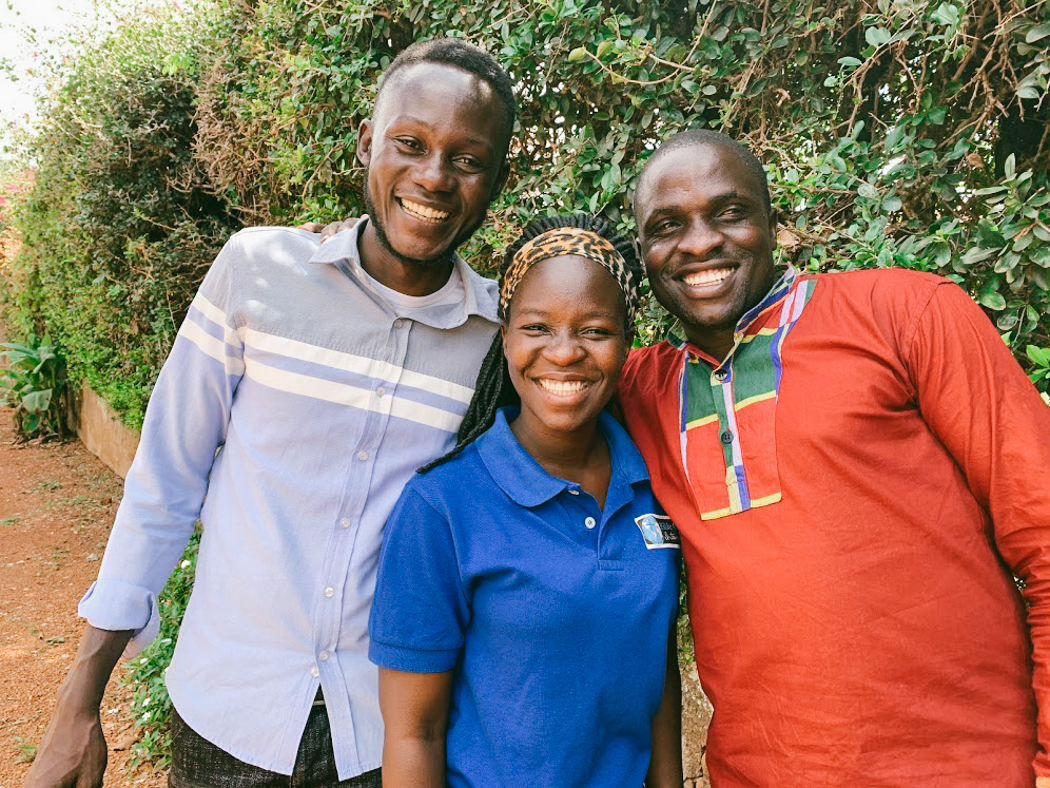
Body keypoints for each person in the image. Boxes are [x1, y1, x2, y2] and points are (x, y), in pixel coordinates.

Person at [26, 37, 515, 788]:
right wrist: (79, 701)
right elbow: (164, 480)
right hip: (225, 718)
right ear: (366, 144)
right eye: (409, 144)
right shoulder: (257, 271)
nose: (433, 177)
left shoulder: (499, 342)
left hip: (387, 742)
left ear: (496, 179)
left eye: (468, 159)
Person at [618, 128, 1050, 786]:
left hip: (970, 768)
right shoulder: (641, 392)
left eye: (729, 213)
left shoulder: (907, 315)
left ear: (777, 224)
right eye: (667, 226)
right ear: (644, 255)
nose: (701, 242)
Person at [367, 214, 683, 787]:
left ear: (625, 343)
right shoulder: (441, 507)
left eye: (595, 330)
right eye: (538, 327)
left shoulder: (650, 481)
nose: (564, 353)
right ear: (505, 336)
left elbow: (654, 677)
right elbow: (415, 732)